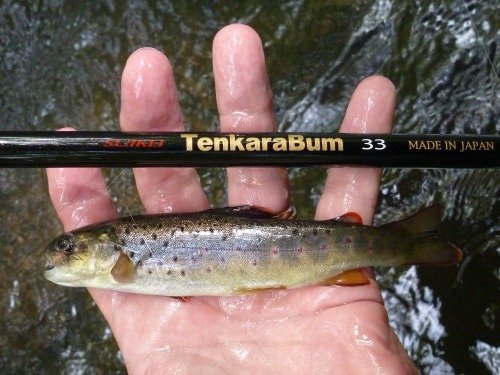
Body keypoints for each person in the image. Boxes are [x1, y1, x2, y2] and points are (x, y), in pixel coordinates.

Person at [47, 24, 417, 374]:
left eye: (68, 246)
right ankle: (400, 244)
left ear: (109, 249)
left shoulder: (122, 263)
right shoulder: (117, 266)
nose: (59, 256)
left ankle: (399, 244)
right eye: (67, 246)